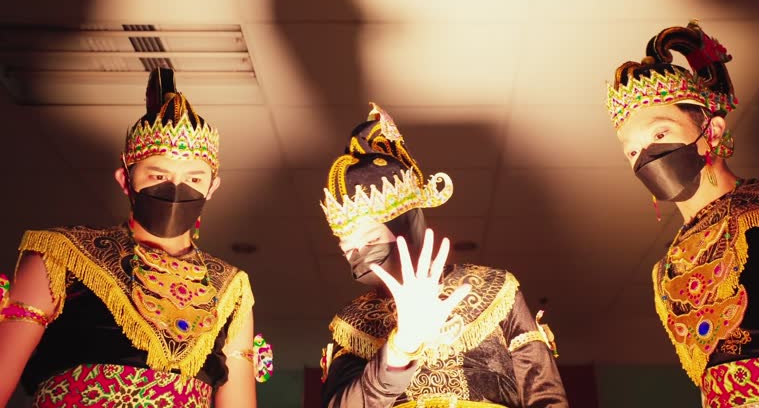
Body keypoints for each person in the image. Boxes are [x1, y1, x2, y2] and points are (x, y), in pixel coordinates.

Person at [606, 20, 759, 407]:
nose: (645, 157)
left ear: (713, 131)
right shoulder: (667, 269)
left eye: (659, 134)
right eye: (632, 151)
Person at [0, 67, 271, 407]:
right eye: (158, 175)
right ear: (125, 179)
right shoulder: (62, 254)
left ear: (212, 187)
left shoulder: (230, 289)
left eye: (194, 179)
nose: (176, 188)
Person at [318, 103, 569, 408]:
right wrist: (400, 348)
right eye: (348, 250)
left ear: (407, 226)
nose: (360, 257)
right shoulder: (353, 322)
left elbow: (546, 397)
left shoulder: (496, 289)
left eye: (371, 239)